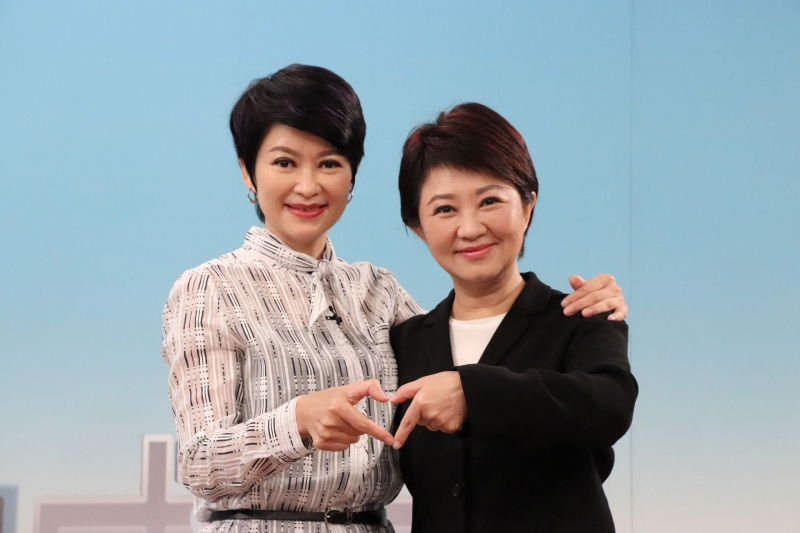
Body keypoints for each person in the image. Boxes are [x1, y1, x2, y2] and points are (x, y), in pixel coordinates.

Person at [161, 65, 628, 533]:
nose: (308, 185)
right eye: (285, 163)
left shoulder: (380, 294)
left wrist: (598, 306)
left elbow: (490, 356)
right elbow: (198, 463)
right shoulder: (210, 287)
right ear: (248, 172)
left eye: (329, 163)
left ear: (352, 176)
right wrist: (297, 422)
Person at [389, 103, 638, 533]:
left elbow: (610, 406)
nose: (470, 228)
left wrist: (472, 393)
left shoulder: (582, 316)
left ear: (527, 206)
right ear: (418, 227)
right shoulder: (404, 342)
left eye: (489, 201)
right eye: (445, 210)